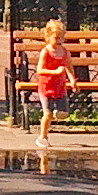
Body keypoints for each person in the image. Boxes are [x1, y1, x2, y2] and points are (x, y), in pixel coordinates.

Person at [30, 18, 75, 149]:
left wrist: (72, 80)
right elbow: (39, 70)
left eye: (62, 38)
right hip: (46, 87)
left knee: (63, 113)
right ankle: (42, 137)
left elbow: (69, 67)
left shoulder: (65, 52)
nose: (59, 41)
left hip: (59, 87)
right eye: (56, 38)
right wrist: (54, 72)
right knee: (47, 113)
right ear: (48, 37)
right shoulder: (46, 52)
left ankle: (57, 113)